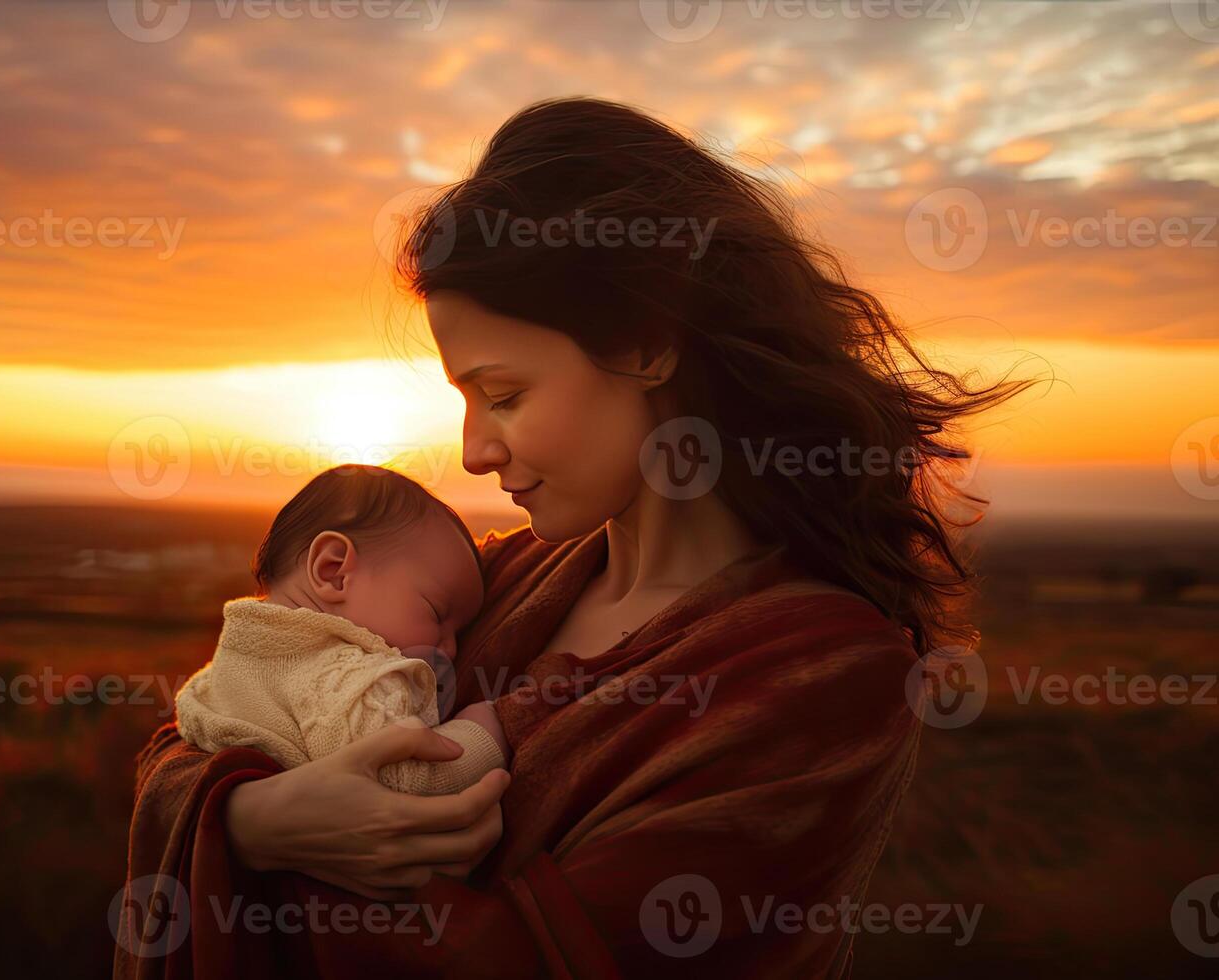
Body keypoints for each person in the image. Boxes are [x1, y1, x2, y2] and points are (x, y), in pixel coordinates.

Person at [115, 96, 1032, 978]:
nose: (473, 451)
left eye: (504, 394)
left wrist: (256, 847)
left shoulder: (825, 675)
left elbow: (520, 959)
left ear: (643, 346)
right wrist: (253, 820)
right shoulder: (499, 580)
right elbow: (217, 709)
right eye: (465, 401)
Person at [173, 464, 511, 796]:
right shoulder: (346, 681)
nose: (451, 650)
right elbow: (405, 781)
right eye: (437, 613)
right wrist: (485, 730)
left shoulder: (231, 661)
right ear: (334, 572)